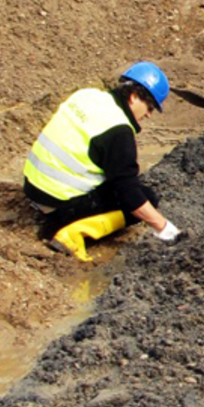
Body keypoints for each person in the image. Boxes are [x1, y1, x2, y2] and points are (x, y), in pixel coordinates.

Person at [23, 62, 182, 261]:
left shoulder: (87, 95)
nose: (149, 114)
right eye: (149, 107)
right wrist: (164, 227)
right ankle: (71, 233)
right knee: (145, 198)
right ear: (133, 96)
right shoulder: (119, 131)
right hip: (57, 204)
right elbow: (129, 194)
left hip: (32, 186)